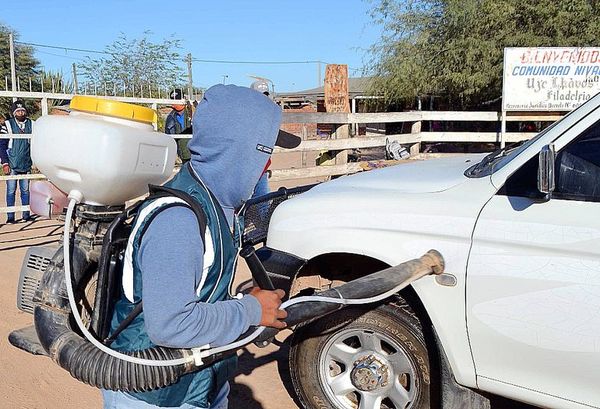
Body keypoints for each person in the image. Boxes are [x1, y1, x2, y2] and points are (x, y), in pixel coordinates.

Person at [102, 84, 301, 409]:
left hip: (196, 384)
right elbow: (170, 323)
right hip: (155, 395)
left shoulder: (220, 204)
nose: (267, 165)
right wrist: (252, 310)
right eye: (265, 152)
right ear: (241, 150)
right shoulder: (178, 220)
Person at [0, 100, 33, 224]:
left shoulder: (32, 124)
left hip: (26, 163)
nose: (21, 112)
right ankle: (10, 217)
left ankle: (26, 215)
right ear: (14, 113)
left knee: (25, 191)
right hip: (12, 163)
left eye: (22, 110)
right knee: (11, 191)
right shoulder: (7, 125)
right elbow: (2, 145)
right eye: (18, 111)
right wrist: (5, 163)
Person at [165, 88, 192, 163]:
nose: (173, 104)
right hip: (182, 156)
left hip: (195, 155)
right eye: (173, 101)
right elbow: (168, 137)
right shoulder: (170, 118)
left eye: (176, 101)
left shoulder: (193, 113)